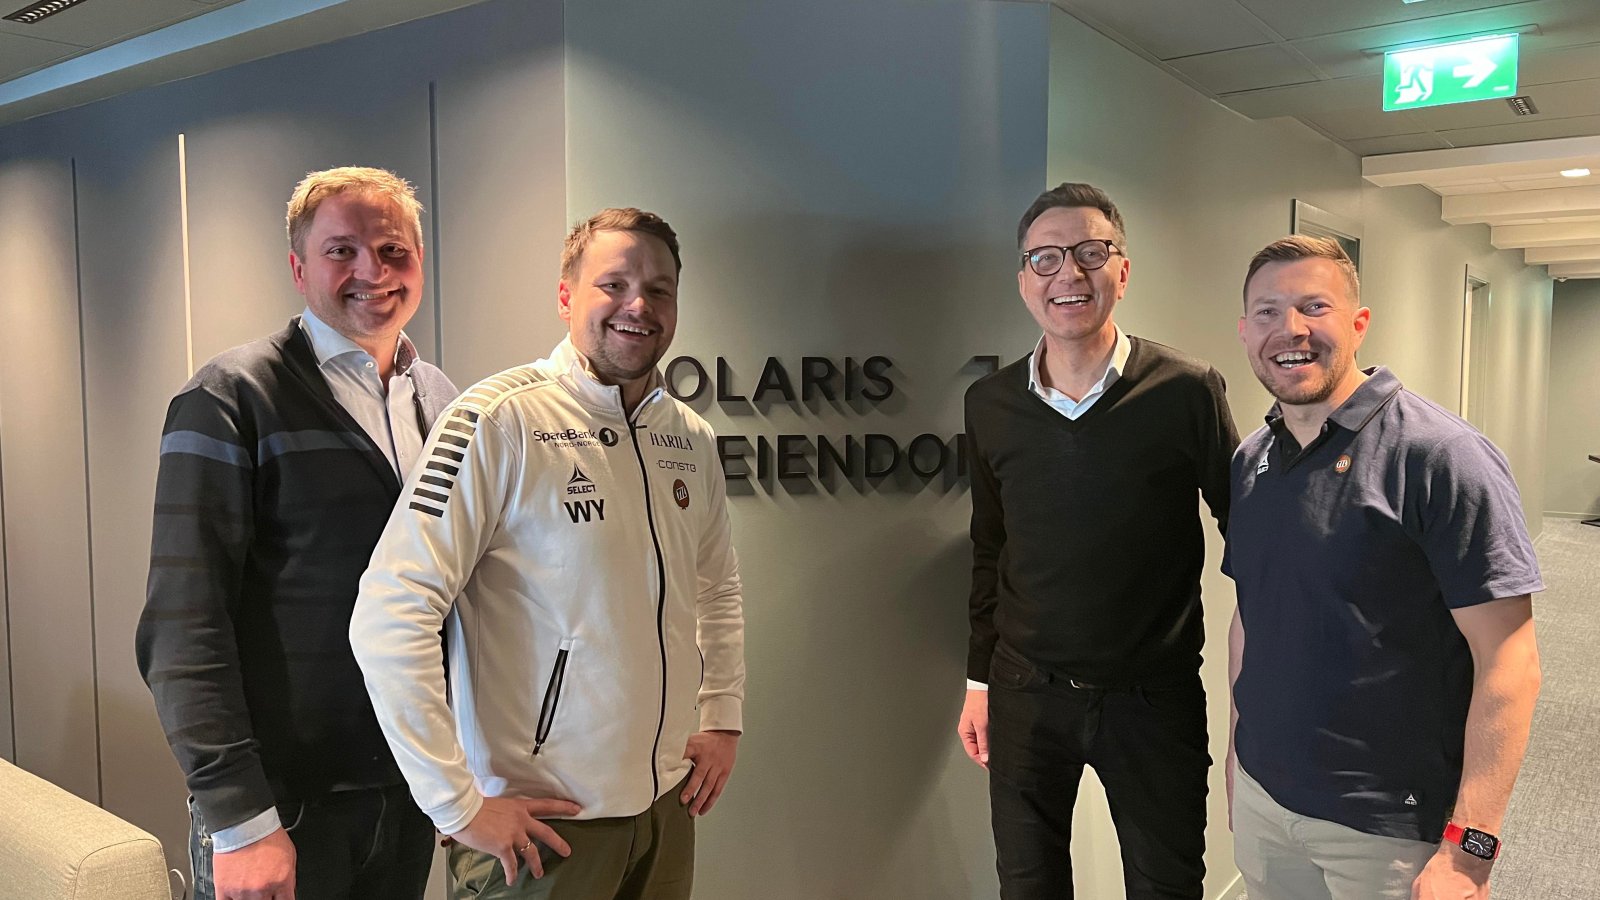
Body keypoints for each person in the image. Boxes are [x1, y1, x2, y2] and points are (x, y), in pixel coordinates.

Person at [350, 207, 746, 900]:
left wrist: (722, 713)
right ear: (566, 296)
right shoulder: (498, 419)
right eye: (614, 284)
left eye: (659, 290)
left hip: (664, 810)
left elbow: (715, 589)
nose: (638, 305)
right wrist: (454, 803)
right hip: (542, 829)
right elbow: (390, 610)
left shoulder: (688, 436)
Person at [137, 166, 459, 900]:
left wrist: (454, 770)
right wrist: (240, 819)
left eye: (393, 250)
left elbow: (452, 596)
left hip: (408, 789)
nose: (372, 271)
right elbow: (182, 626)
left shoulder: (438, 397)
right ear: (299, 268)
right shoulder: (230, 396)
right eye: (342, 250)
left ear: (418, 260)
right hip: (283, 806)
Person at [1225, 235, 1543, 900]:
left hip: (1387, 829)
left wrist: (1472, 848)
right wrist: (1236, 758)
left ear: (1359, 323)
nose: (1291, 329)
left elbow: (1509, 657)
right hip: (1265, 802)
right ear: (1245, 330)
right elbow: (1252, 616)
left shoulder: (1440, 456)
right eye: (1267, 312)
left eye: (1315, 306)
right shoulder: (1252, 460)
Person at [958, 182, 1238, 898]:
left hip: (1154, 698)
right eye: (1046, 258)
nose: (1069, 275)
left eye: (1091, 253)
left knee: (1167, 885)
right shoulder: (989, 404)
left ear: (1123, 270)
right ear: (1024, 279)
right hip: (1026, 694)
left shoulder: (1187, 390)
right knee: (1028, 886)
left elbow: (1248, 531)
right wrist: (979, 681)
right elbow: (990, 547)